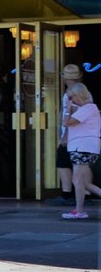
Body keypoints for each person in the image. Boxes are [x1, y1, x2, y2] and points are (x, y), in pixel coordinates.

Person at [62, 82, 98, 220]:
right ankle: (79, 209)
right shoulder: (88, 108)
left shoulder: (88, 108)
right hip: (83, 147)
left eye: (72, 97)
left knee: (77, 179)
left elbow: (67, 123)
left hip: (83, 147)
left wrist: (68, 110)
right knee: (84, 182)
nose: (71, 100)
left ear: (79, 95)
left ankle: (79, 210)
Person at [55, 62, 83, 206]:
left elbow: (71, 115)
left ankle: (66, 193)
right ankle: (84, 192)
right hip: (80, 134)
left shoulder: (71, 94)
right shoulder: (83, 92)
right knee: (81, 164)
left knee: (62, 161)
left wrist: (64, 137)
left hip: (71, 133)